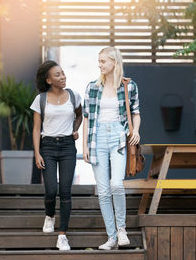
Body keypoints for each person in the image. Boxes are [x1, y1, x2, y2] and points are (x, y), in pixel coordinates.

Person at [82, 47, 141, 250]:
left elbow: (136, 112)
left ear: (114, 62)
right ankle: (111, 237)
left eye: (103, 61)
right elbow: (87, 119)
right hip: (97, 138)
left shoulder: (129, 86)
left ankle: (122, 229)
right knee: (104, 191)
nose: (100, 64)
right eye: (99, 61)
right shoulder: (92, 87)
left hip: (118, 137)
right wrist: (85, 146)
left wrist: (136, 131)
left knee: (117, 184)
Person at [30, 60, 82, 250]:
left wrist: (75, 129)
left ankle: (62, 235)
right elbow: (36, 129)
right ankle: (50, 215)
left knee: (66, 191)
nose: (63, 77)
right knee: (51, 190)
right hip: (48, 148)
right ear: (49, 80)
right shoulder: (40, 99)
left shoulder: (74, 95)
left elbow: (79, 116)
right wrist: (37, 153)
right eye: (58, 75)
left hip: (68, 146)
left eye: (63, 73)